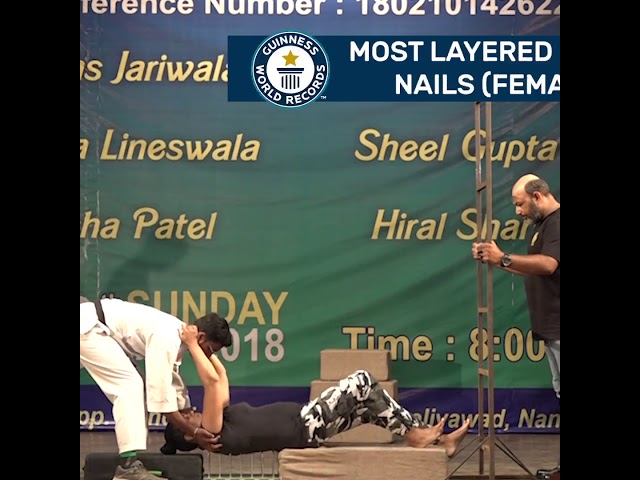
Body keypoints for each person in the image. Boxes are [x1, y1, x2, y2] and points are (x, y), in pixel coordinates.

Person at [160, 323, 471, 458]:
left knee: (368, 409)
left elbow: (221, 376)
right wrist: (190, 344)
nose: (188, 410)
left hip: (309, 428)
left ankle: (440, 442)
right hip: (306, 424)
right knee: (362, 380)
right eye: (185, 415)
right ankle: (417, 437)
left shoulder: (218, 421)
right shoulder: (212, 434)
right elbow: (212, 384)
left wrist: (206, 349)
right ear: (189, 434)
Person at [80, 298, 230, 480]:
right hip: (90, 327)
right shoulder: (168, 338)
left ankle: (129, 467)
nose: (207, 355)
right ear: (200, 338)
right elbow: (160, 402)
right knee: (130, 385)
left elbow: (171, 381)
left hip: (96, 327)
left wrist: (187, 412)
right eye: (209, 350)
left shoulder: (176, 337)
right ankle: (128, 469)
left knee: (135, 383)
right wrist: (194, 432)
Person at [471, 173, 560, 479]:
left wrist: (504, 257)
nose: (518, 211)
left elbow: (549, 265)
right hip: (552, 329)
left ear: (537, 197)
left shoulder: (558, 223)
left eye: (520, 204)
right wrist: (497, 261)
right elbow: (536, 271)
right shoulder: (541, 227)